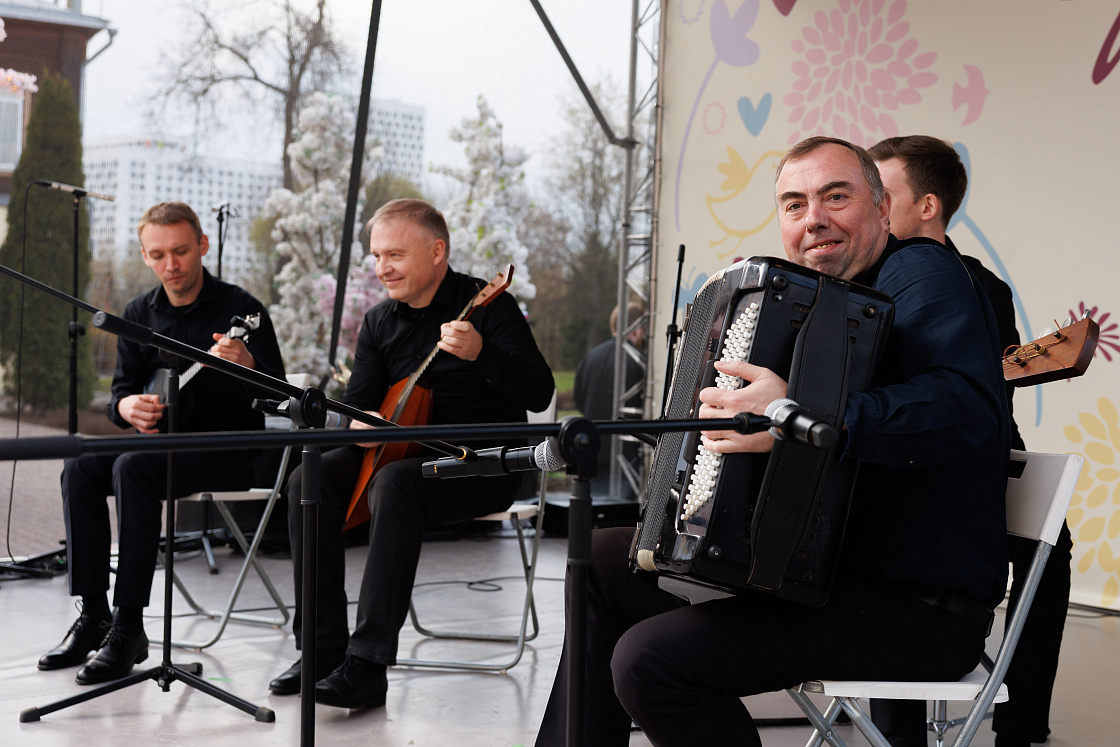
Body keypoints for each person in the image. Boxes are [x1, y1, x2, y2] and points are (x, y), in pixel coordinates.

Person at [534, 136, 1011, 746]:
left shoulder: (920, 269)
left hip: (917, 607)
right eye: (794, 204)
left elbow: (968, 412)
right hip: (822, 580)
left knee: (651, 662)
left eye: (835, 197)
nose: (814, 219)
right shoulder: (821, 302)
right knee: (600, 561)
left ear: (882, 208)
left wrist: (797, 416)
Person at [268, 198, 554, 708]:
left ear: (437, 251)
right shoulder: (379, 321)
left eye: (395, 255)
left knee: (396, 482)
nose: (383, 268)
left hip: (482, 464)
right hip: (400, 453)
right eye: (377, 256)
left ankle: (367, 665)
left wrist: (482, 354)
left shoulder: (489, 306)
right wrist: (359, 427)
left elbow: (539, 392)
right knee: (308, 479)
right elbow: (356, 407)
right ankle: (322, 649)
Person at [869, 135, 1073, 747]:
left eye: (883, 194)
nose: (870, 207)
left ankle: (1020, 722)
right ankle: (891, 722)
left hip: (968, 459)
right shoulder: (862, 274)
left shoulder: (979, 288)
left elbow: (966, 410)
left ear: (927, 205)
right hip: (890, 463)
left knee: (1050, 549)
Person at [38, 201, 286, 684]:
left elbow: (280, 398)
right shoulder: (137, 313)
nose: (171, 264)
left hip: (229, 451)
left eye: (181, 251)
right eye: (158, 255)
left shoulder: (243, 310)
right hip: (159, 447)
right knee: (80, 465)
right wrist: (128, 406)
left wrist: (249, 366)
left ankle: (129, 627)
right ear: (145, 256)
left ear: (202, 245)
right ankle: (95, 616)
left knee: (133, 466)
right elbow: (119, 397)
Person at [572, 302, 646, 498]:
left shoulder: (591, 356)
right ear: (638, 330)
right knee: (622, 512)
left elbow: (578, 398)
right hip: (628, 456)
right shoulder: (640, 361)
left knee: (595, 509)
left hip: (592, 447)